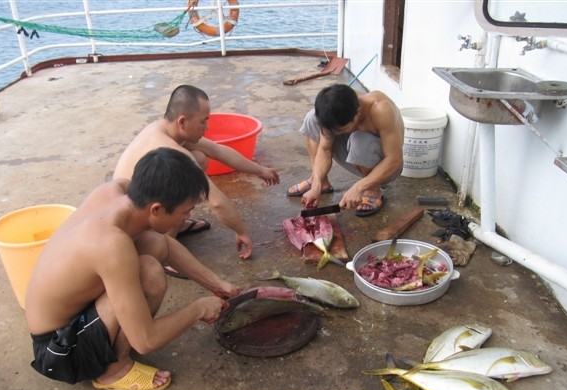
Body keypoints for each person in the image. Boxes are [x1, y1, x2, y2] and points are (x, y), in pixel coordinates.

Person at [25, 148, 240, 390]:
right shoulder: (112, 246)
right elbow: (146, 341)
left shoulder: (117, 191)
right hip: (60, 349)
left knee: (155, 243)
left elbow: (166, 244)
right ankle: (113, 370)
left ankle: (111, 341)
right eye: (184, 212)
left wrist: (218, 285)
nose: (187, 218)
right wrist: (199, 309)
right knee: (149, 272)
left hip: (70, 319)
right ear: (157, 209)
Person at [114, 85, 280, 259]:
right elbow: (216, 202)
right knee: (189, 170)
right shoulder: (171, 150)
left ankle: (174, 225)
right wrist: (242, 231)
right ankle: (166, 248)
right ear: (182, 121)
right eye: (203, 121)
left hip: (142, 206)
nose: (206, 127)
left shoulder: (164, 129)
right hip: (132, 230)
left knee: (199, 158)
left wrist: (260, 170)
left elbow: (218, 151)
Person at [286, 84, 404, 217]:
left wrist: (358, 187)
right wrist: (316, 184)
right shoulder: (337, 101)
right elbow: (325, 149)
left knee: (359, 139)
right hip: (356, 154)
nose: (335, 134)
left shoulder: (381, 109)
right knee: (312, 118)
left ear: (358, 113)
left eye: (340, 130)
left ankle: (372, 189)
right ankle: (320, 181)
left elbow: (395, 160)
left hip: (386, 167)